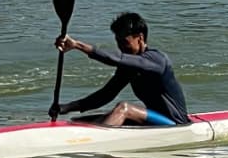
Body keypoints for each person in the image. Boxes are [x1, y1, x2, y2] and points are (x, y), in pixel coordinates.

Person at [48, 11, 190, 127]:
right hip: (153, 120)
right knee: (89, 119)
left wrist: (78, 45)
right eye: (118, 42)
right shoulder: (129, 69)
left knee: (123, 108)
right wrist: (65, 108)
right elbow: (105, 95)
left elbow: (115, 59)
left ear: (140, 38)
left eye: (124, 42)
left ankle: (96, 143)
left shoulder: (156, 60)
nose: (121, 47)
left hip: (175, 123)